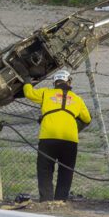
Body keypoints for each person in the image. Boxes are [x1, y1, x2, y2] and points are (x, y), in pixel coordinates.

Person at [23, 69, 91, 202]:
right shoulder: (78, 99)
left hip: (48, 137)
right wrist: (74, 127)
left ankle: (46, 200)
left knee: (45, 169)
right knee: (66, 171)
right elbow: (87, 119)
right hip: (70, 139)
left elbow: (28, 93)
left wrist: (26, 81)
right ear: (69, 82)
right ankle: (60, 201)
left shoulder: (46, 93)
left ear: (55, 83)